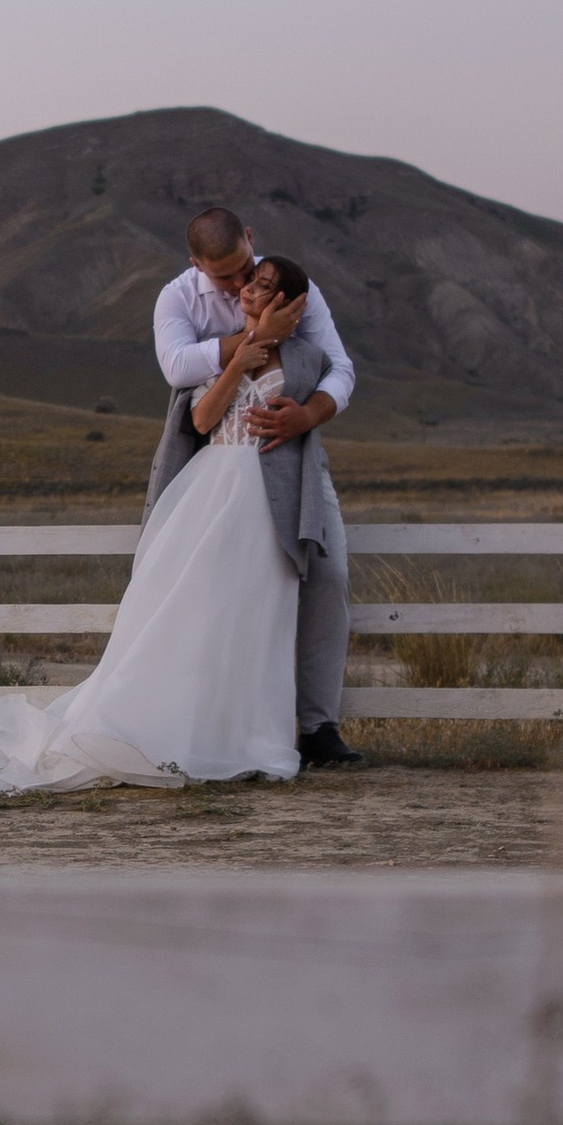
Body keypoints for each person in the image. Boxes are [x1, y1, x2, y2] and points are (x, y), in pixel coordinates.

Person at [0, 254, 324, 794]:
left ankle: (248, 740)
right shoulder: (219, 349)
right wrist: (237, 360)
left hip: (266, 501)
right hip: (209, 491)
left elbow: (318, 416)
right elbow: (201, 421)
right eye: (249, 282)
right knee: (190, 607)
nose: (249, 289)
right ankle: (166, 733)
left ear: (288, 303)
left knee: (254, 615)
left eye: (264, 286)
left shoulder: (305, 360)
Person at [151, 205, 363, 769]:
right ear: (196, 264)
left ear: (251, 238)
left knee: (328, 575)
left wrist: (308, 415)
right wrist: (253, 337)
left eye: (246, 267)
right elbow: (176, 367)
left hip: (292, 461)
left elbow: (339, 367)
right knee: (215, 595)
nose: (242, 282)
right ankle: (206, 720)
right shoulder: (177, 299)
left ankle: (318, 726)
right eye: (225, 277)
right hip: (218, 477)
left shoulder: (293, 288)